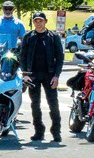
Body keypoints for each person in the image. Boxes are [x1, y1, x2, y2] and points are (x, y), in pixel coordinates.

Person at [20, 12, 65, 142]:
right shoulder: (28, 37)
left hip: (49, 75)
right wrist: (25, 74)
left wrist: (56, 76)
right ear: (33, 22)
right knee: (35, 104)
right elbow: (22, 56)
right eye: (36, 21)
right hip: (32, 76)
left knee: (53, 104)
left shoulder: (53, 36)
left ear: (45, 21)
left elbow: (60, 58)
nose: (38, 23)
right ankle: (39, 131)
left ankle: (56, 131)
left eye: (40, 21)